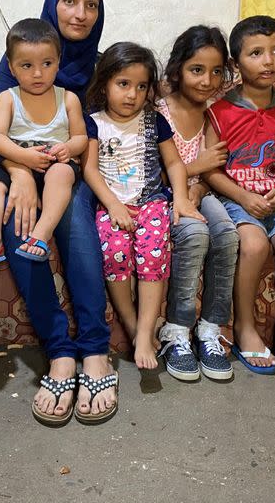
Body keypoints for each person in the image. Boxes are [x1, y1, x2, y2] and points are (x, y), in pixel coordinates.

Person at [0, 0, 116, 426]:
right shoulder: (18, 55)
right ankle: (60, 351)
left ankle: (95, 350)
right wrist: (19, 173)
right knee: (18, 228)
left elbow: (93, 133)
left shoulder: (99, 66)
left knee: (78, 226)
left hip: (70, 171)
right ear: (53, 1)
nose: (80, 13)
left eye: (91, 4)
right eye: (70, 0)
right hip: (19, 167)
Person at [82, 42, 204, 371]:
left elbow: (175, 165)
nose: (132, 95)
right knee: (114, 251)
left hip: (151, 201)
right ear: (105, 83)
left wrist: (179, 196)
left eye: (141, 87)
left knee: (152, 253)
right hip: (113, 204)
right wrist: (112, 205)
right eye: (123, 84)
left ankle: (148, 329)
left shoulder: (154, 122)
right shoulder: (94, 122)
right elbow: (90, 170)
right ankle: (135, 328)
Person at [204, 15, 275, 378]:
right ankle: (245, 327)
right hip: (239, 198)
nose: (269, 61)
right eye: (256, 53)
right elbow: (211, 170)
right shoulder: (220, 111)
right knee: (253, 246)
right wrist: (244, 198)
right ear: (235, 64)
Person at [156, 25, 239, 382]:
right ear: (177, 69)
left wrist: (198, 187)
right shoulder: (159, 112)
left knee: (227, 233)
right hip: (161, 193)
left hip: (201, 192)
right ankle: (176, 329)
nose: (207, 80)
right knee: (194, 234)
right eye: (197, 70)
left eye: (216, 71)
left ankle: (210, 327)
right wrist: (193, 172)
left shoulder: (215, 114)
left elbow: (213, 170)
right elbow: (149, 174)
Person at [0, 19, 87, 268]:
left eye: (47, 64)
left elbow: (81, 137)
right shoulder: (7, 98)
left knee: (62, 174)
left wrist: (69, 148)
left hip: (54, 161)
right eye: (26, 65)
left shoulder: (68, 99)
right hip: (17, 160)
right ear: (11, 68)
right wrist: (24, 159)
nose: (37, 73)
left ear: (58, 62)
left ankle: (41, 235)